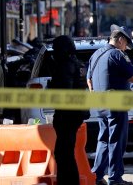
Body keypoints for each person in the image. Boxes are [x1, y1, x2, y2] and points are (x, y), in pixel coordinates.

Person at [87, 29, 133, 185]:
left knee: (103, 139)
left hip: (100, 103)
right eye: (125, 44)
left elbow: (89, 80)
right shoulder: (117, 54)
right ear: (120, 40)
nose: (125, 48)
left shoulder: (96, 54)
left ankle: (96, 176)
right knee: (117, 140)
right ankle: (115, 178)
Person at [49, 35, 90, 185]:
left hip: (67, 115)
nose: (54, 53)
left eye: (55, 49)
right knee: (65, 153)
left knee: (63, 153)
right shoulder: (77, 64)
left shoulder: (65, 65)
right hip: (74, 114)